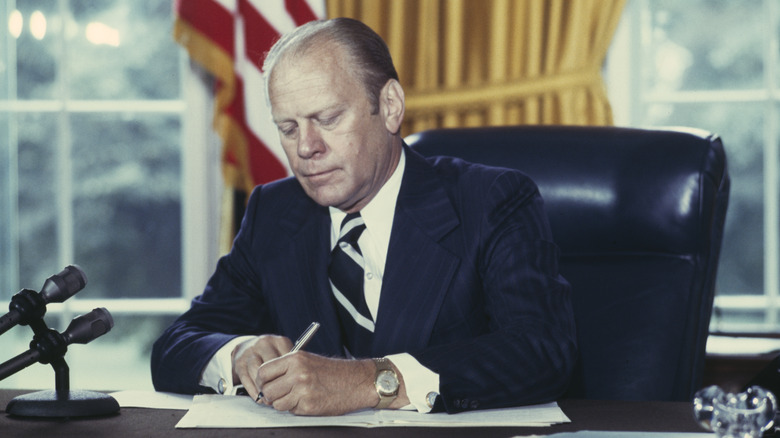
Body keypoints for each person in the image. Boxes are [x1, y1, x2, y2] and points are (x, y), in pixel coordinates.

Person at [151, 17, 577, 416]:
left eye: (328, 118)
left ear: (389, 106)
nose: (306, 147)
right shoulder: (273, 212)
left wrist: (369, 382)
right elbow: (176, 346)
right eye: (288, 128)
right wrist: (238, 353)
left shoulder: (490, 200)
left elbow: (543, 350)